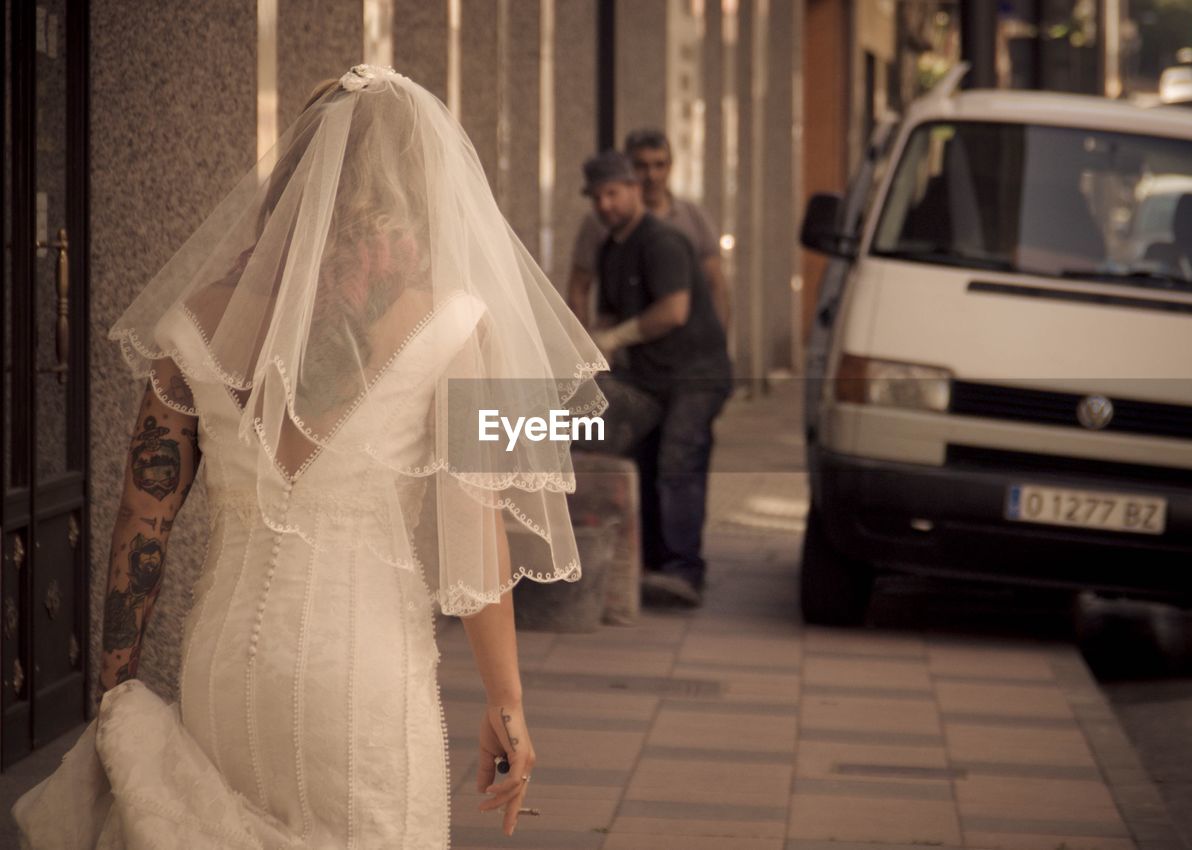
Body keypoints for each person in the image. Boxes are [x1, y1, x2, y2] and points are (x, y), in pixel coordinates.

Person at [12, 64, 606, 849]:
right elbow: (478, 527)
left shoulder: (198, 320)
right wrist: (508, 704)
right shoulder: (460, 326)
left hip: (223, 673)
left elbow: (140, 523)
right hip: (359, 679)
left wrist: (116, 691)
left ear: (294, 175)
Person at [582, 151, 732, 608]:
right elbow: (608, 310)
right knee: (636, 458)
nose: (606, 204)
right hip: (647, 377)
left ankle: (683, 570)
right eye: (597, 196)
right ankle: (648, 564)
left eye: (613, 193)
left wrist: (615, 336)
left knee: (677, 460)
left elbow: (673, 311)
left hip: (694, 375)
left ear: (634, 189)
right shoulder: (610, 248)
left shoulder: (663, 241)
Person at [567, 128, 731, 331]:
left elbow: (714, 283)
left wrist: (718, 337)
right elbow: (579, 287)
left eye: (659, 165)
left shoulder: (692, 217)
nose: (651, 175)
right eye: (641, 166)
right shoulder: (602, 221)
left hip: (685, 344)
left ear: (670, 167)